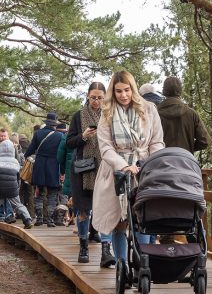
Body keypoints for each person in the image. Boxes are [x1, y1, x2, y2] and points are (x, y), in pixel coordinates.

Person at [93, 71, 165, 267]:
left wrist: (148, 163)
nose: (123, 95)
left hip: (145, 169)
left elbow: (157, 141)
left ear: (133, 89)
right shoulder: (107, 112)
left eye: (127, 90)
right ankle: (121, 265)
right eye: (118, 91)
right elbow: (105, 147)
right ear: (113, 92)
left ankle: (143, 265)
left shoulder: (149, 109)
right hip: (117, 171)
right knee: (119, 222)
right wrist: (123, 165)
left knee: (143, 219)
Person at [66, 82, 107, 264]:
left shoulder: (110, 116)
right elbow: (69, 142)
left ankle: (106, 250)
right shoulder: (78, 116)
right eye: (93, 97)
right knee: (83, 210)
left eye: (99, 98)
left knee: (104, 210)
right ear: (87, 96)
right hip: (83, 170)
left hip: (105, 168)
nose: (96, 101)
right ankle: (83, 246)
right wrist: (83, 136)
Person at [24, 112, 66, 227]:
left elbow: (30, 150)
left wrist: (26, 156)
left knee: (39, 192)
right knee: (52, 194)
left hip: (39, 166)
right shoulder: (59, 136)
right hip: (53, 166)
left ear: (46, 122)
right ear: (55, 124)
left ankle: (39, 219)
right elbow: (62, 154)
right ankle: (50, 220)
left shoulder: (38, 133)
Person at [0, 140, 33, 229]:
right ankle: (27, 220)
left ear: (0, 150)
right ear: (13, 150)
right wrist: (16, 188)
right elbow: (17, 177)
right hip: (12, 189)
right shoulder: (15, 162)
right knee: (19, 205)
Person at [158, 76, 209, 154]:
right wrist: (189, 148)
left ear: (164, 90)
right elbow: (204, 141)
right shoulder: (191, 114)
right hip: (186, 161)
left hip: (162, 162)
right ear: (180, 90)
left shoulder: (155, 114)